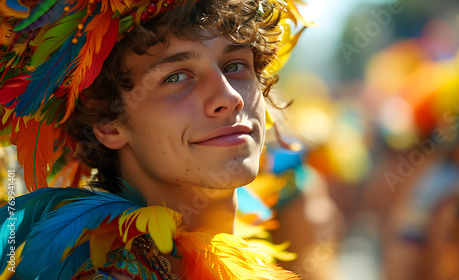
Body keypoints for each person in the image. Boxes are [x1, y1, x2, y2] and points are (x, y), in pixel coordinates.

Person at [0, 0, 311, 278]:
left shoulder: (245, 257)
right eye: (176, 76)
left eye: (235, 66)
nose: (229, 97)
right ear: (109, 123)